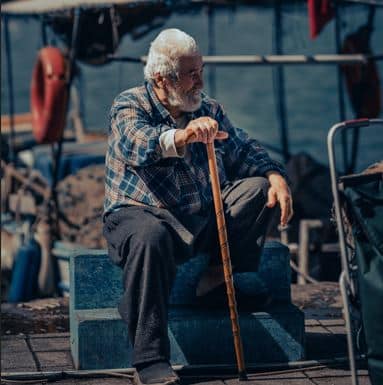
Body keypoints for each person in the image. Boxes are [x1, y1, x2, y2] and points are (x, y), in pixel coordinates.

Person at [103, 28, 293, 385]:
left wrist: (275, 175)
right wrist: (184, 135)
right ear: (162, 77)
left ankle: (214, 283)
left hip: (198, 218)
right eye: (191, 73)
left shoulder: (209, 108)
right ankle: (149, 359)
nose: (200, 81)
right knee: (150, 236)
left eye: (200, 70)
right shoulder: (129, 105)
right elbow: (137, 144)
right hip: (140, 215)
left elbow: (244, 149)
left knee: (257, 189)